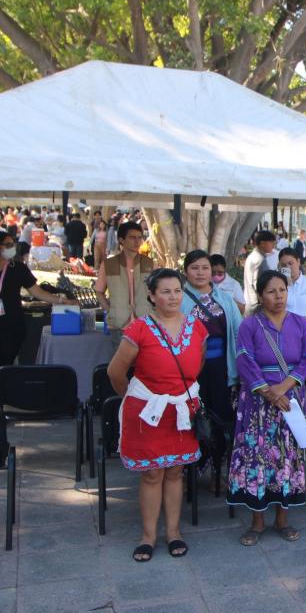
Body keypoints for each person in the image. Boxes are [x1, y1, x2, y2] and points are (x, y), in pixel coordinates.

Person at [107, 268, 207, 561]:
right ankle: (148, 536)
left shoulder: (196, 326)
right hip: (149, 412)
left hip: (181, 410)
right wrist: (138, 398)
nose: (173, 297)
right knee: (152, 474)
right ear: (151, 295)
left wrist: (178, 391)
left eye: (177, 290)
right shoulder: (139, 328)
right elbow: (116, 371)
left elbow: (196, 365)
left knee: (176, 471)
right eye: (165, 291)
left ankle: (173, 532)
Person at [228, 271, 306, 544]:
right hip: (258, 403)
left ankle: (283, 520)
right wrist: (268, 392)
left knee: (287, 456)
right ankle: (256, 522)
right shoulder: (250, 326)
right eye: (271, 291)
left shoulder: (300, 324)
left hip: (291, 399)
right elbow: (244, 359)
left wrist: (283, 388)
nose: (278, 296)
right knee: (259, 457)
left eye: (282, 290)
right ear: (260, 295)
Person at [180, 250, 243, 430]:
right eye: (194, 268)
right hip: (191, 367)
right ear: (186, 271)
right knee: (194, 416)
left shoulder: (225, 298)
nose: (200, 272)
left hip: (223, 365)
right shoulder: (178, 299)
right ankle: (198, 456)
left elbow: (238, 331)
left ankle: (220, 455)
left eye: (205, 268)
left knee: (222, 415)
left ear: (211, 271)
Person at [0, 230, 76, 366]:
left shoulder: (18, 268)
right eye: (8, 244)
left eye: (13, 244)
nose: (12, 247)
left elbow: (38, 292)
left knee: (6, 362)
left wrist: (63, 300)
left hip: (12, 326)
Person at [94, 221, 154, 353]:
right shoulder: (109, 264)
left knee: (145, 366)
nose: (137, 241)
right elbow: (99, 292)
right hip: (119, 325)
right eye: (132, 237)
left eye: (139, 237)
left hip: (145, 323)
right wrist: (110, 310)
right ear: (122, 240)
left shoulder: (149, 263)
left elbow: (156, 291)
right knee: (120, 367)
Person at [243, 230, 276, 310]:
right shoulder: (259, 259)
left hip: (251, 301)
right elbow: (258, 283)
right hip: (256, 304)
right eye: (271, 242)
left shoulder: (254, 256)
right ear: (262, 243)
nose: (273, 245)